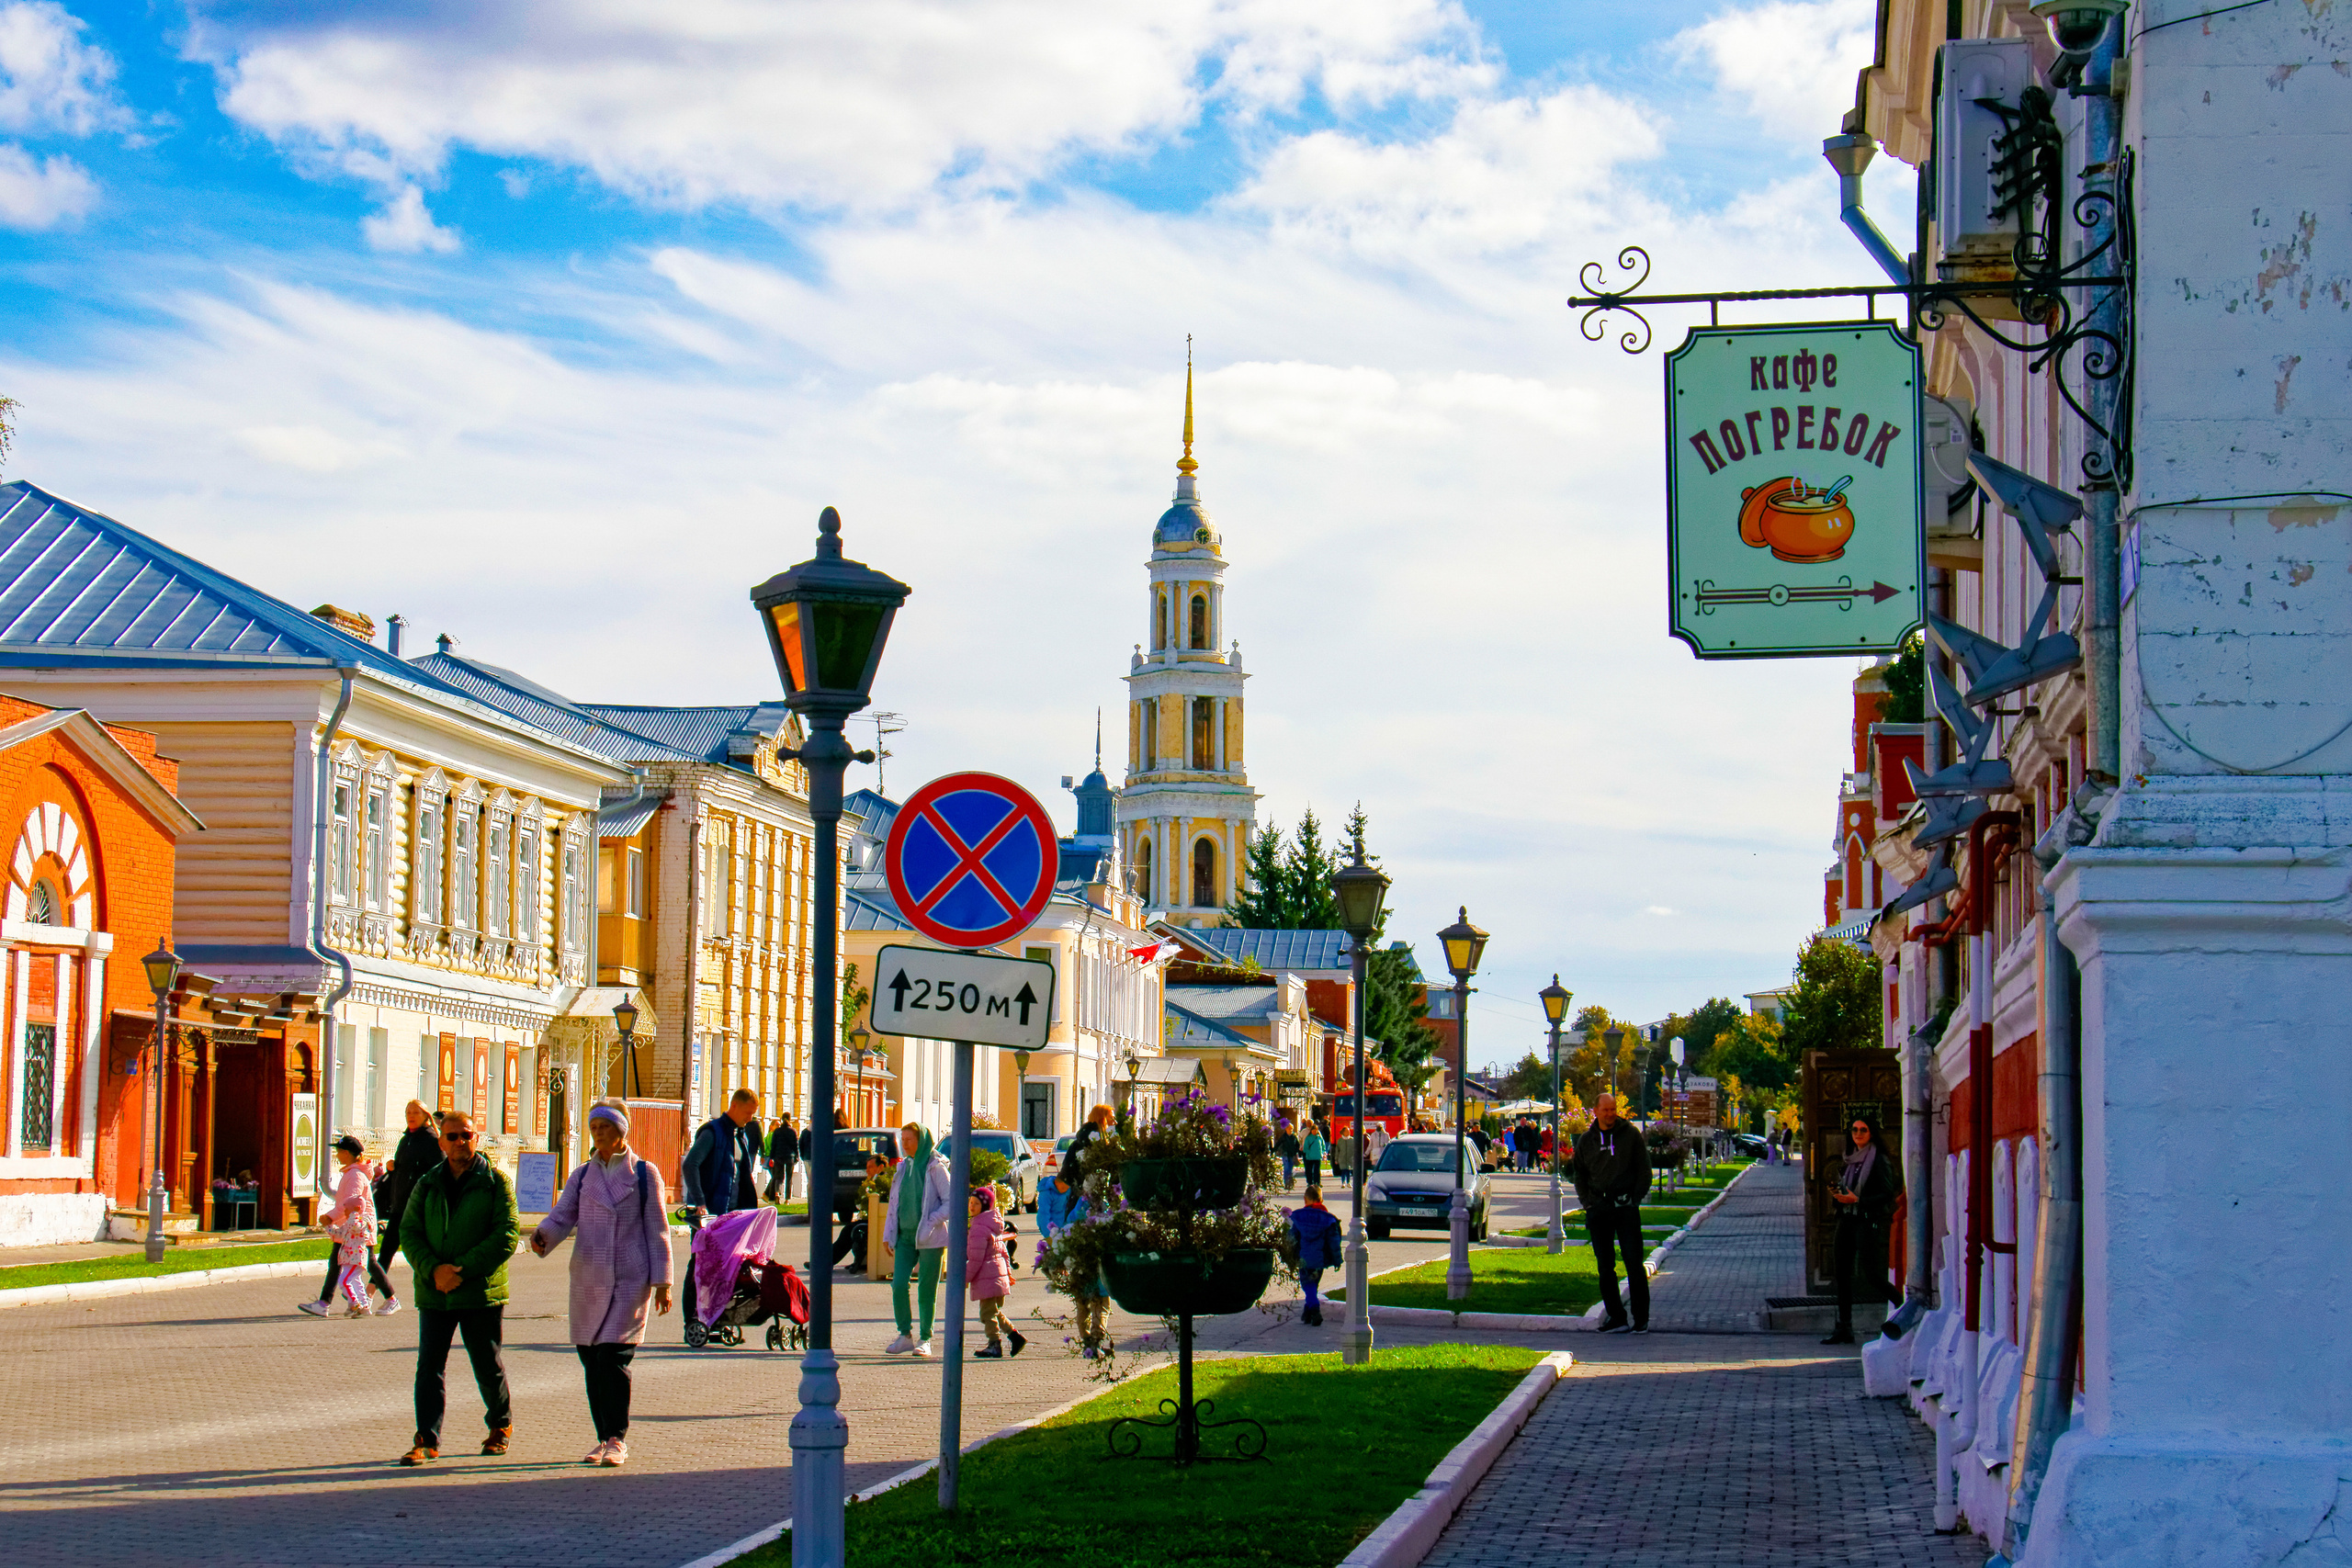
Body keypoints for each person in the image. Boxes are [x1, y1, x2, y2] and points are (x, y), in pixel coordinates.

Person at [528, 1102, 675, 1465]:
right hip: (589, 1276)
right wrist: (543, 1234)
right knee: (592, 1360)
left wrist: (663, 1282)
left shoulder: (643, 1174)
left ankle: (617, 1438)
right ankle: (602, 1436)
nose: (597, 1132)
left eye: (604, 1126)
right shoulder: (581, 1176)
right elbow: (563, 1215)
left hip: (629, 1277)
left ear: (621, 1131)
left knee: (613, 1357)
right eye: (593, 1126)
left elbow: (658, 1229)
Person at [398, 1110, 521, 1465]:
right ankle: (427, 1439)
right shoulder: (428, 1182)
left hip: (479, 1291)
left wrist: (462, 1271)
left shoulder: (495, 1182)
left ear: (476, 1139)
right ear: (442, 1142)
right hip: (435, 1291)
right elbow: (410, 1231)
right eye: (452, 1137)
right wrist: (434, 1270)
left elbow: (507, 1235)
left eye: (466, 1135)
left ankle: (500, 1425)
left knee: (486, 1363)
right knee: (429, 1366)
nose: (459, 1142)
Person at [1571, 1094, 1652, 1334]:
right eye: (1605, 1110)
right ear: (1595, 1110)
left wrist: (1634, 1199)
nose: (1610, 1114)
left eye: (1613, 1109)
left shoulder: (1631, 1136)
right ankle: (1616, 1316)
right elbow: (1579, 1175)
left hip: (1625, 1208)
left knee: (1634, 1264)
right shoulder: (1587, 1141)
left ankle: (1641, 1319)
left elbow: (1644, 1170)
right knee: (1605, 1267)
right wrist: (1588, 1203)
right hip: (1599, 1210)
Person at [1825, 1113, 1903, 1345]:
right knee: (1842, 1275)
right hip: (1846, 1220)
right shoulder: (1848, 1159)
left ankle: (1904, 1310)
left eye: (1863, 1130)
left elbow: (1887, 1194)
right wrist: (1838, 1197)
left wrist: (1857, 1200)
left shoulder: (1879, 1160)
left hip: (1867, 1221)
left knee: (1872, 1275)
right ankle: (1845, 1328)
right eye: (1855, 1130)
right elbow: (1847, 1194)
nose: (1858, 1134)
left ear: (1871, 1133)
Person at [883, 1122, 954, 1357]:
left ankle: (925, 1338)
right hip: (904, 1237)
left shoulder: (936, 1167)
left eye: (909, 1140)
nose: (904, 1144)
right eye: (902, 1140)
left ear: (921, 1141)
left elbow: (950, 1202)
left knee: (926, 1288)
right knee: (898, 1285)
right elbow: (895, 1203)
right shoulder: (904, 1167)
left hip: (931, 1238)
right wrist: (888, 1233)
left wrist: (932, 1220)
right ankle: (905, 1335)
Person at [1037, 1166, 1108, 1356]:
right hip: (1096, 1260)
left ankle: (1086, 1339)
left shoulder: (1078, 1206)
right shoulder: (1105, 1207)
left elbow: (1071, 1219)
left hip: (1077, 1257)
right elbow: (1043, 1218)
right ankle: (1095, 1339)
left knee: (1082, 1301)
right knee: (1099, 1303)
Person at [323, 1134, 397, 1316]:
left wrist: (329, 1217)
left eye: (339, 1151)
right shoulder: (352, 1172)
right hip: (351, 1229)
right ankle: (347, 1303)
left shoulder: (355, 1175)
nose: (337, 1154)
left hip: (357, 1230)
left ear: (347, 1153)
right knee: (355, 1264)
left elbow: (351, 1203)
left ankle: (329, 1302)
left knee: (349, 1266)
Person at [965, 1186, 1025, 1359]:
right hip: (996, 1277)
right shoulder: (993, 1224)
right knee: (995, 1311)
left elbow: (976, 1259)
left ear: (985, 1207)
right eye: (970, 1202)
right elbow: (1004, 1252)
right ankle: (1015, 1337)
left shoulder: (978, 1229)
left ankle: (994, 1344)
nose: (972, 1206)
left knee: (987, 1314)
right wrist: (1007, 1272)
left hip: (987, 1277)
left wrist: (965, 1278)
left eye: (976, 1203)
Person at [683, 1089, 763, 1216]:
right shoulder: (712, 1132)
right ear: (734, 1106)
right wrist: (699, 1202)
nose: (750, 1118)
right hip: (710, 1214)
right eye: (747, 1113)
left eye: (752, 1114)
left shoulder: (741, 1136)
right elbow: (690, 1165)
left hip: (735, 1213)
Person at [1289, 1186, 1343, 1327]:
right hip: (1320, 1260)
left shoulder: (1298, 1217)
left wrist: (1290, 1257)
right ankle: (1307, 1313)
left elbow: (1290, 1238)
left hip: (1304, 1259)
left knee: (1308, 1285)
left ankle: (1314, 1310)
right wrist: (1337, 1260)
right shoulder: (1329, 1219)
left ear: (1305, 1199)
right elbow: (1334, 1242)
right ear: (1321, 1199)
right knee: (1313, 1284)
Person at [1063, 1103, 1114, 1190]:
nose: (1114, 1122)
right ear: (1103, 1119)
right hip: (1085, 1190)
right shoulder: (1089, 1142)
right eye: (1112, 1118)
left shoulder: (1089, 1139)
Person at [764, 1112, 800, 1205]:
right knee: (789, 1178)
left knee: (779, 1177)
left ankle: (777, 1194)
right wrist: (797, 1156)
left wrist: (772, 1157)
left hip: (778, 1156)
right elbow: (795, 1145)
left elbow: (773, 1145)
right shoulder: (793, 1131)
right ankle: (787, 1199)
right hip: (790, 1156)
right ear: (789, 1119)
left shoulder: (777, 1131)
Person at [1299, 1121, 1328, 1192]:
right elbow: (1305, 1146)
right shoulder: (1308, 1137)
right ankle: (1310, 1182)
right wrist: (1307, 1152)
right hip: (1310, 1156)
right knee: (1309, 1169)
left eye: (1316, 1131)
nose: (1315, 1132)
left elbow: (1323, 1145)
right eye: (1314, 1131)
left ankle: (1317, 1182)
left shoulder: (1319, 1137)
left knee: (1317, 1170)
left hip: (1317, 1156)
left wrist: (1323, 1152)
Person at [1273, 1121, 1301, 1191]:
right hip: (1285, 1154)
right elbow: (1278, 1144)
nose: (1290, 1130)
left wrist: (1297, 1152)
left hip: (1292, 1154)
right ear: (1286, 1129)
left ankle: (1290, 1183)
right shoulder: (1284, 1137)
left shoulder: (1294, 1137)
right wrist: (1273, 1150)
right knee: (1286, 1168)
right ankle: (1286, 1183)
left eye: (1291, 1128)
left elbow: (1297, 1145)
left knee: (1290, 1169)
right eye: (1289, 1128)